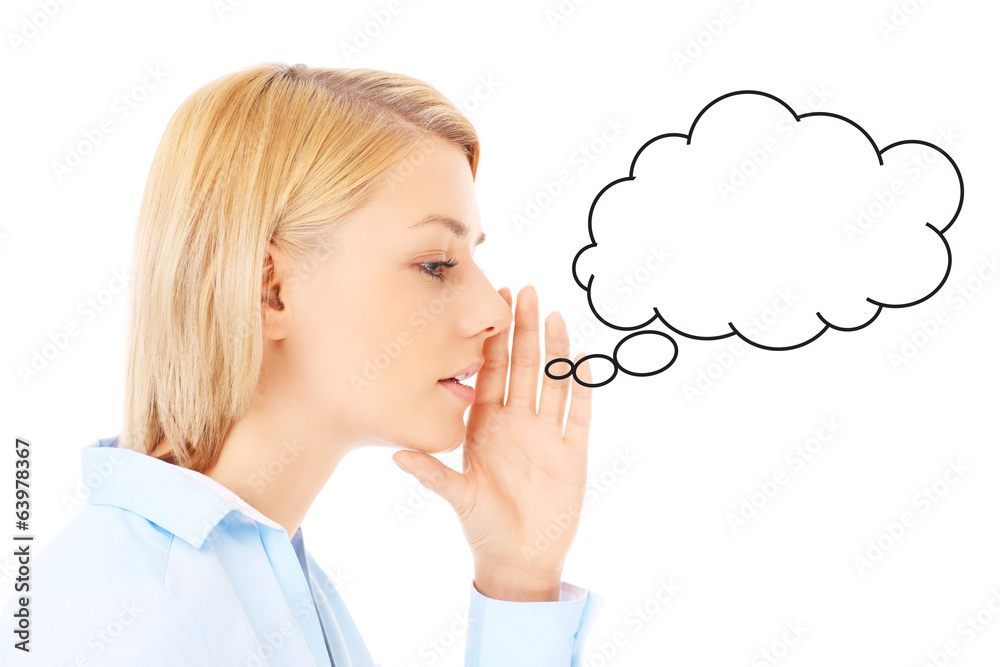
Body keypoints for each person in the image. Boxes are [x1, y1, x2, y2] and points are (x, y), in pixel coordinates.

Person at [0, 62, 602, 665]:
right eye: (435, 265)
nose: (493, 311)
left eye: (470, 260)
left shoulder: (279, 585)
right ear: (270, 290)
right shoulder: (124, 613)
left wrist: (519, 580)